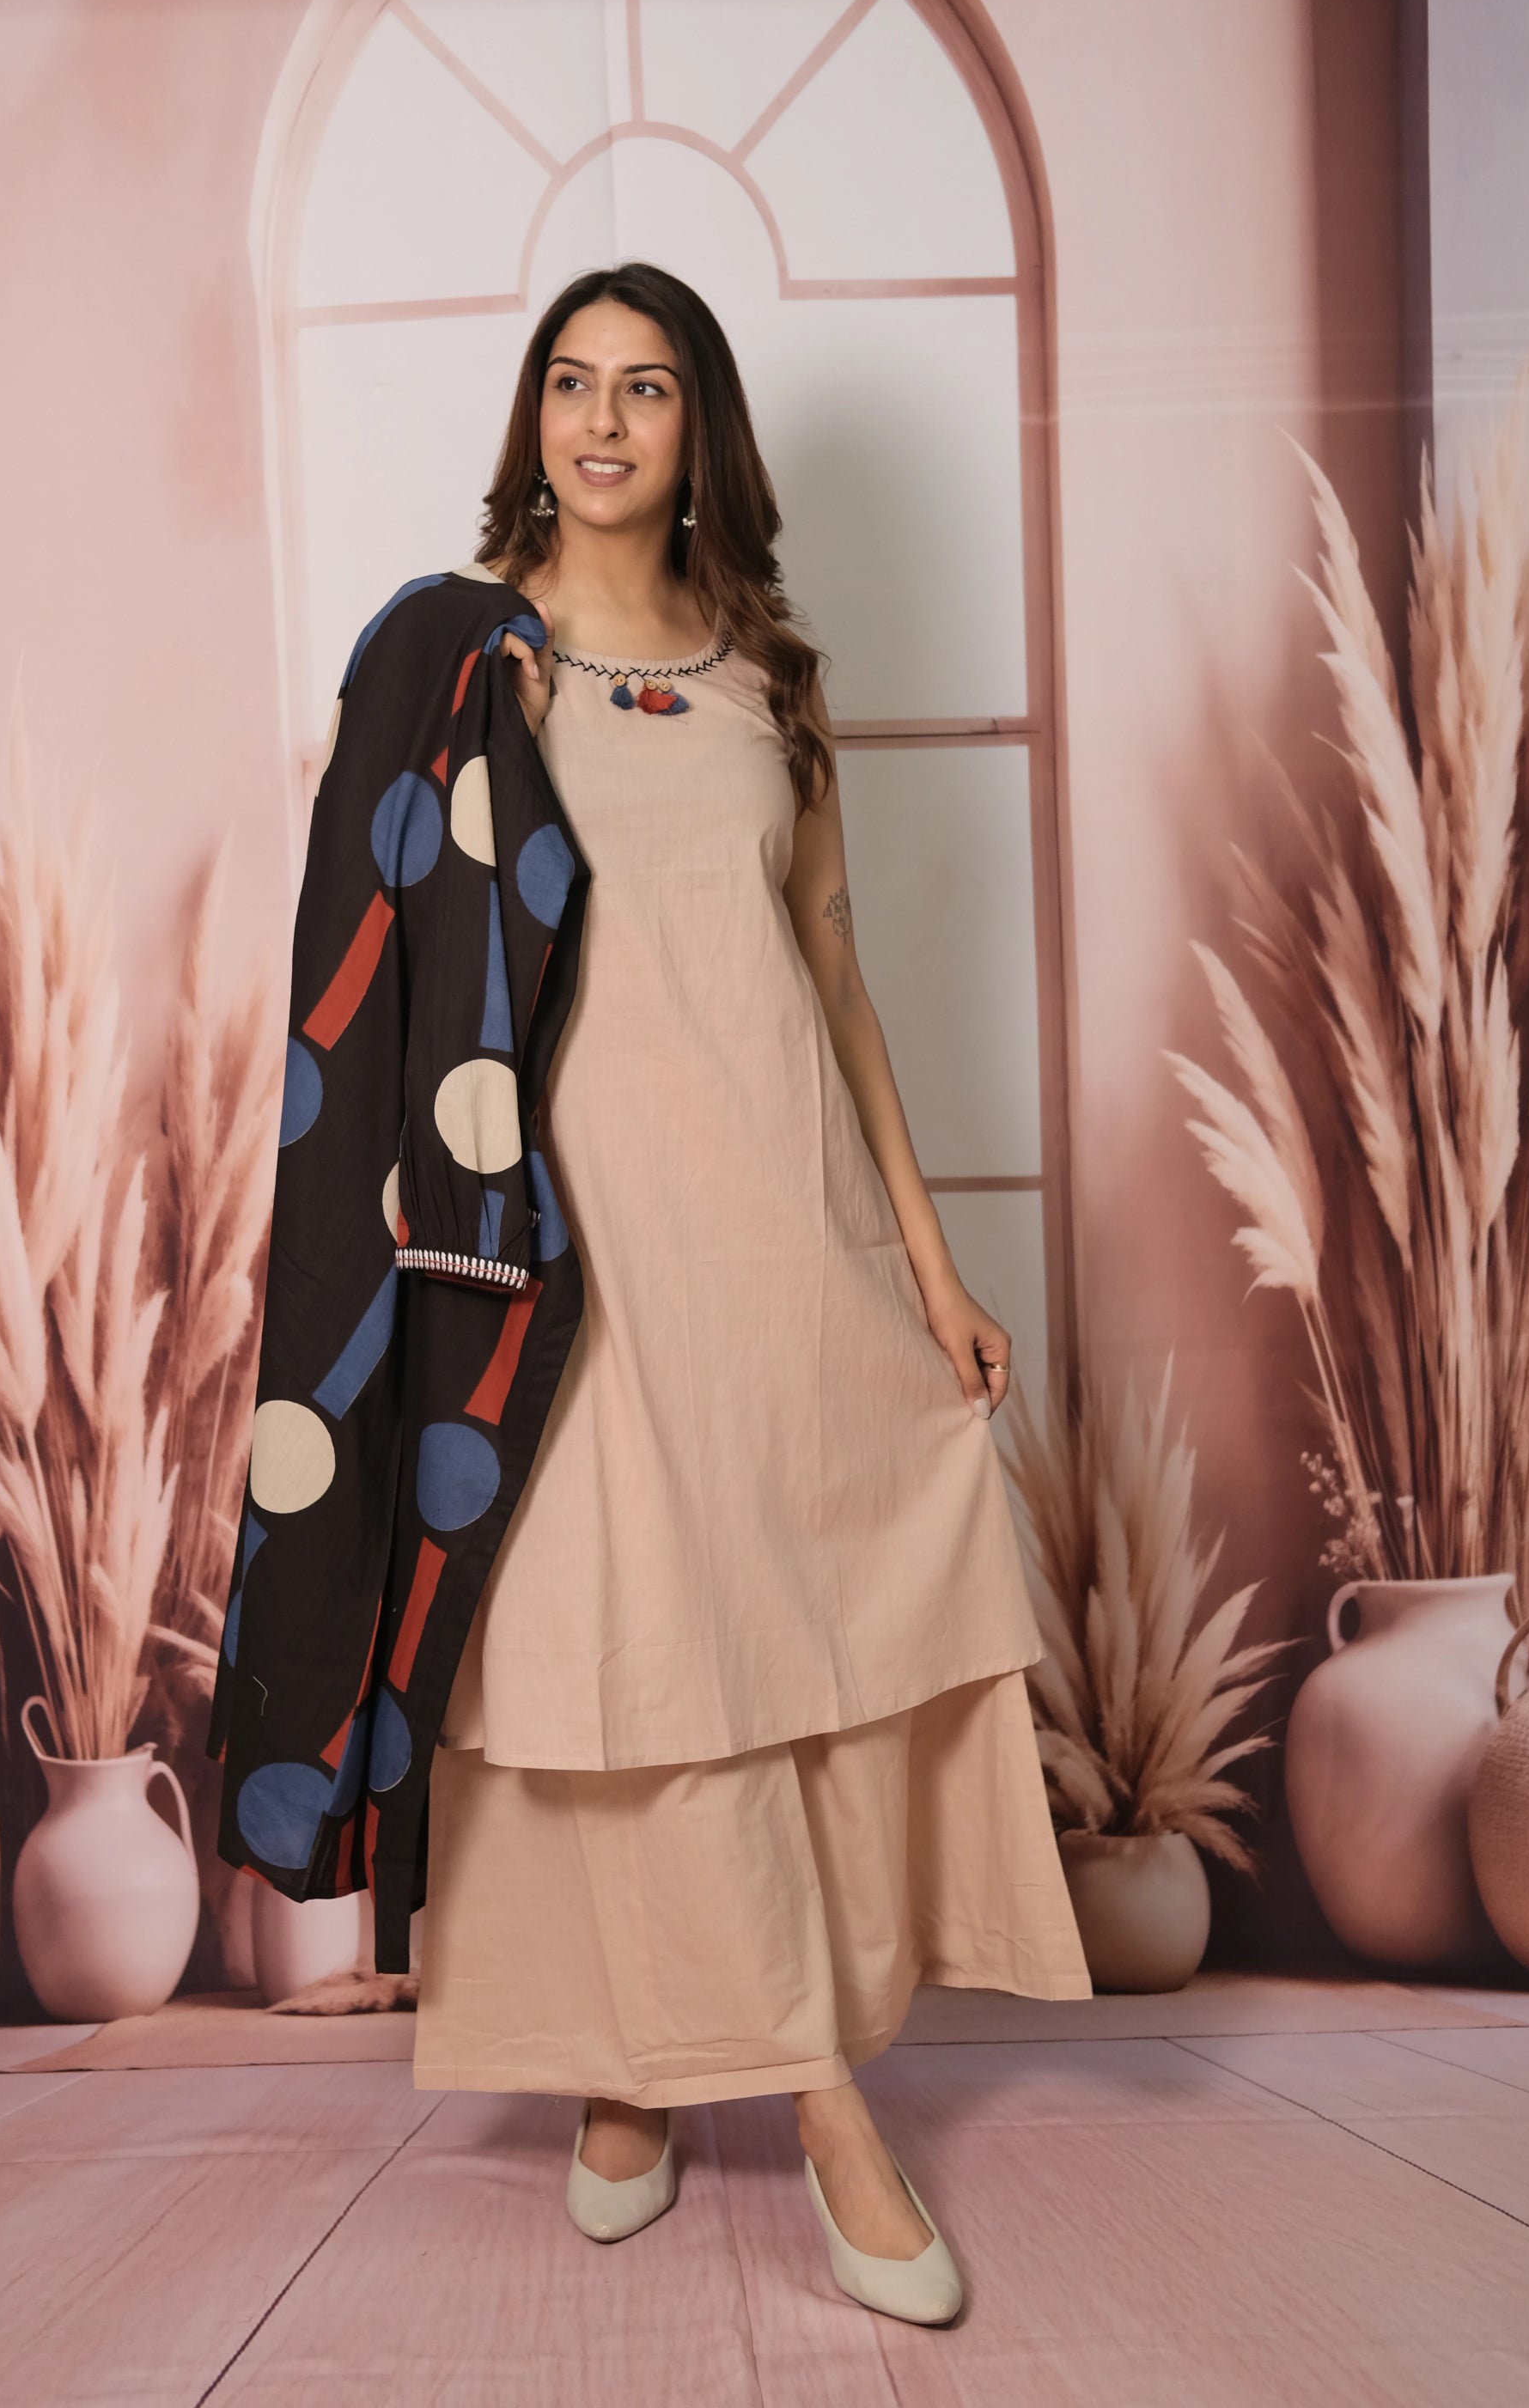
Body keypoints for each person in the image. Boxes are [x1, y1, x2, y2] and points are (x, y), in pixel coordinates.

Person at [406, 262, 1089, 2326]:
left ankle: (653, 2063)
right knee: (642, 1662)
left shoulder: (765, 674)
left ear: (697, 429)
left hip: (775, 1233)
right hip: (577, 1258)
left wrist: (932, 1262)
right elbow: (391, 994)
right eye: (567, 384)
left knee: (781, 1633)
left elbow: (837, 980)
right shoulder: (469, 670)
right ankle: (817, 2109)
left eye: (643, 389)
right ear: (530, 420)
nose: (600, 422)